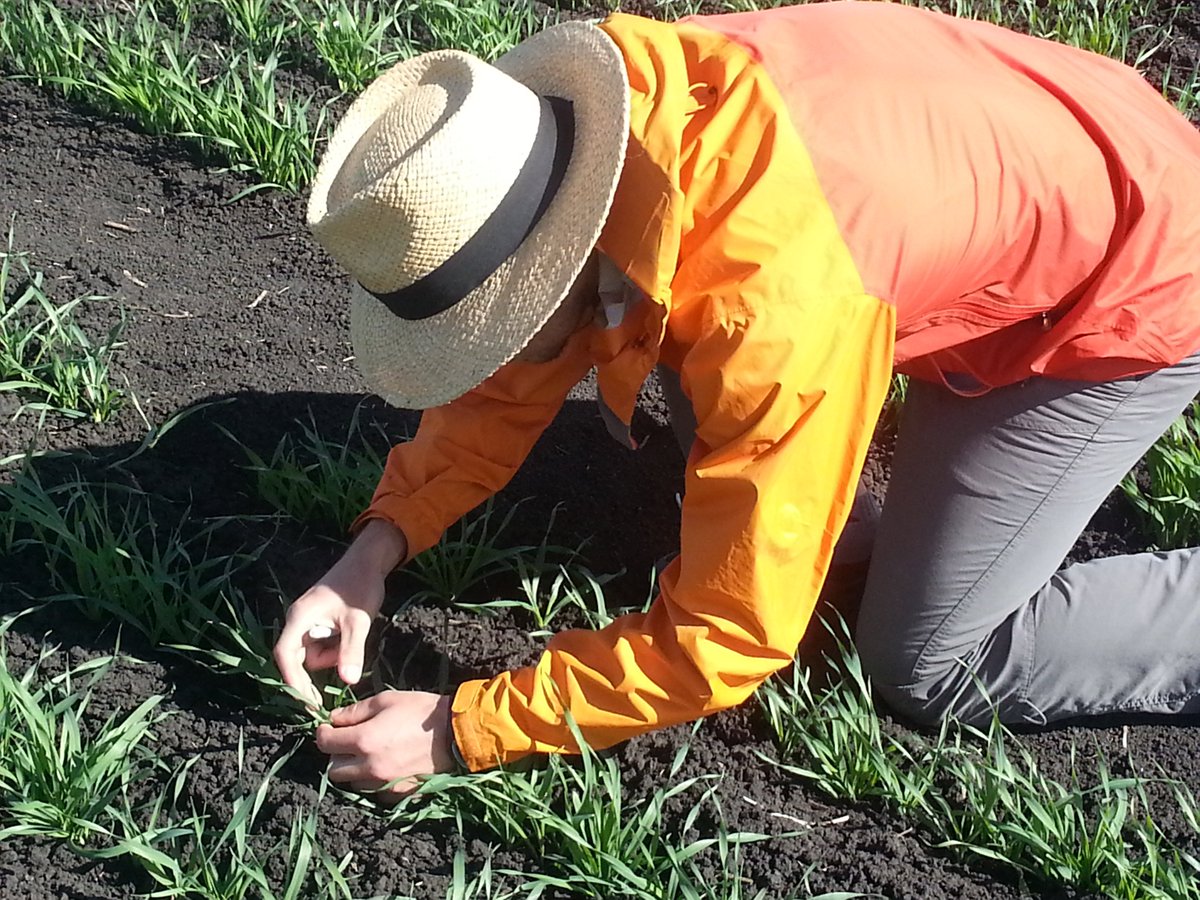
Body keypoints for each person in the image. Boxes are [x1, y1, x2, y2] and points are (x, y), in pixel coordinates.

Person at [274, 1, 1200, 797]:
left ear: (561, 256)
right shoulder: (591, 127)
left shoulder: (772, 306)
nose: (493, 354)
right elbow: (520, 362)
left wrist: (461, 728)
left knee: (925, 664)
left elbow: (729, 637)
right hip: (1037, 136)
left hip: (1134, 269)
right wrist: (376, 547)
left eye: (496, 322)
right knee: (806, 532)